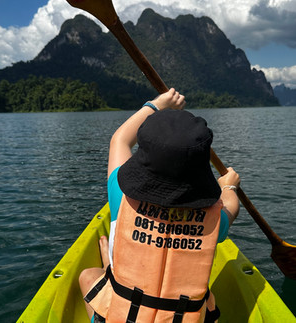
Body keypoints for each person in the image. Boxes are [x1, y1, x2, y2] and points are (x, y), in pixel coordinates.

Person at [79, 88, 240, 323]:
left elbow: (120, 140)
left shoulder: (120, 195)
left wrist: (158, 104)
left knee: (87, 276)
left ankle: (109, 269)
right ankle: (110, 269)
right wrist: (229, 186)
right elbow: (231, 207)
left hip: (124, 316)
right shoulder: (215, 220)